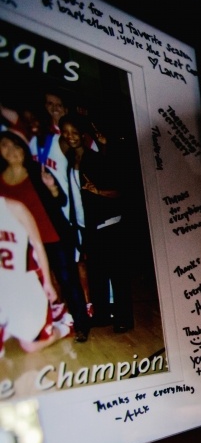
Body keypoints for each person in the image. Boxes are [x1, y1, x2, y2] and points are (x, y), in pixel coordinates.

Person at [0, 130, 86, 340]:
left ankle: (81, 324)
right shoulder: (0, 180)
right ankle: (35, 325)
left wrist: (53, 188)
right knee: (31, 285)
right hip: (22, 245)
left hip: (52, 237)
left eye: (16, 146)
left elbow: (62, 200)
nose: (11, 150)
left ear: (24, 149)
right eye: (5, 145)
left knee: (67, 281)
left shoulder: (37, 169)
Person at [61, 115, 133, 334]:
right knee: (97, 274)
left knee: (117, 274)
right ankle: (102, 315)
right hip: (88, 227)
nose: (70, 137)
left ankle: (123, 319)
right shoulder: (71, 162)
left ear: (83, 135)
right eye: (66, 132)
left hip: (108, 224)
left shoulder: (95, 159)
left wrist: (97, 191)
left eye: (74, 132)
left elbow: (119, 191)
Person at [0, 196, 64, 354]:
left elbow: (38, 245)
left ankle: (63, 327)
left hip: (21, 286)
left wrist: (48, 283)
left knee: (30, 346)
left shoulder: (16, 208)